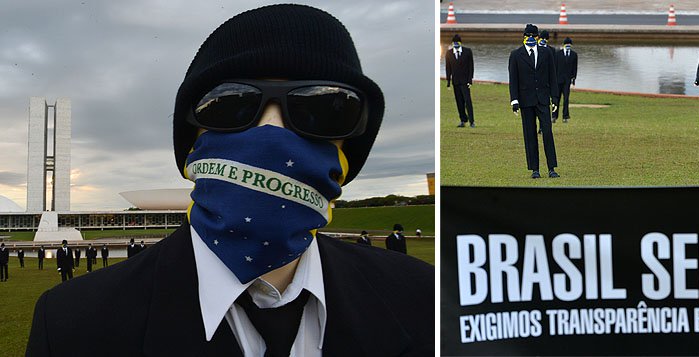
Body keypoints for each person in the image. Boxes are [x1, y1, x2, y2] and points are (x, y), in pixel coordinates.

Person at [27, 5, 432, 356]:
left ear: (350, 145)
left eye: (324, 107)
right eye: (230, 104)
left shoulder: (423, 298)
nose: (272, 132)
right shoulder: (70, 326)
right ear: (190, 144)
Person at [510, 24, 560, 179]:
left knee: (547, 132)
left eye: (534, 35)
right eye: (528, 35)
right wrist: (514, 100)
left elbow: (553, 76)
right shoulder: (516, 55)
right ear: (524, 36)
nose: (531, 38)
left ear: (537, 37)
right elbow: (514, 80)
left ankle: (551, 168)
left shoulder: (547, 53)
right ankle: (535, 169)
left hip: (543, 99)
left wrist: (555, 98)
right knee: (529, 134)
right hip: (526, 101)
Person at [446, 34, 475, 128]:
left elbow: (471, 66)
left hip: (465, 81)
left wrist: (470, 80)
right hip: (456, 81)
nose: (456, 45)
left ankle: (472, 121)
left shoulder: (467, 52)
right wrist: (448, 81)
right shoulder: (449, 53)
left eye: (457, 43)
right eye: (454, 43)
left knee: (467, 101)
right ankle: (463, 120)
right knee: (459, 102)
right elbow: (448, 68)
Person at [555, 37, 578, 123]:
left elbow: (574, 69)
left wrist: (573, 81)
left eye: (569, 45)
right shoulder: (558, 54)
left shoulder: (574, 55)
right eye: (567, 45)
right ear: (564, 45)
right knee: (556, 99)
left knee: (566, 99)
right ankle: (554, 116)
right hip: (558, 80)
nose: (568, 46)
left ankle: (565, 116)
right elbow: (555, 67)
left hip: (567, 81)